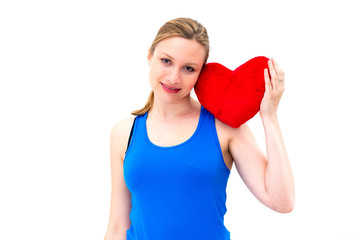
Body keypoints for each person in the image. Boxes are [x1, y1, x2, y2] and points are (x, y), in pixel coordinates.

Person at [104, 17, 295, 240]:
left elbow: (282, 201)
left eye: (188, 68)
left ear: (200, 73)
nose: (174, 77)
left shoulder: (224, 127)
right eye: (166, 61)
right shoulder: (123, 133)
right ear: (150, 56)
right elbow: (117, 226)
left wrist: (269, 116)